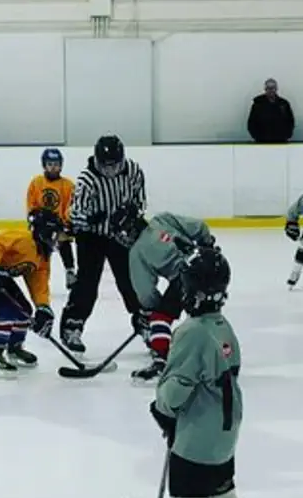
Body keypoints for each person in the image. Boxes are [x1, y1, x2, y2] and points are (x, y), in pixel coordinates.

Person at [149, 245, 242, 498]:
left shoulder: (192, 333)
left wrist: (161, 408)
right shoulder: (225, 328)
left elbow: (176, 390)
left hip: (195, 448)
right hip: (224, 441)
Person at [62, 135, 149, 356]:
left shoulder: (134, 171)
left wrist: (131, 214)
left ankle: (145, 321)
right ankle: (72, 325)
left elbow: (141, 201)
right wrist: (93, 219)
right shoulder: (87, 179)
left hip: (120, 234)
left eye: (115, 165)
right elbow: (75, 216)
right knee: (87, 283)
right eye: (105, 166)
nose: (110, 171)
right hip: (92, 236)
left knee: (130, 280)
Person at [121, 208, 216, 382]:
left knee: (160, 318)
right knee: (207, 313)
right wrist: (207, 246)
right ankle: (220, 354)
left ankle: (161, 360)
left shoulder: (136, 252)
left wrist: (149, 313)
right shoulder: (163, 220)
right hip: (213, 265)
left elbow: (146, 293)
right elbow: (200, 227)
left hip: (185, 277)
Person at [0, 210, 63, 377]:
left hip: (1, 276)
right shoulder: (24, 239)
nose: (57, 240)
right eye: (55, 234)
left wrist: (43, 307)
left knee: (25, 310)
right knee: (8, 311)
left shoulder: (42, 257)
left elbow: (38, 284)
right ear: (44, 231)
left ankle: (15, 348)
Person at [26, 148, 77, 285]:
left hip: (60, 225)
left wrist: (66, 223)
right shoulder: (36, 183)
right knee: (41, 250)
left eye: (56, 164)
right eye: (50, 164)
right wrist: (36, 217)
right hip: (42, 225)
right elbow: (32, 206)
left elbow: (71, 206)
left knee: (64, 240)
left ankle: (70, 271)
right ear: (44, 165)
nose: (53, 167)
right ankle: (40, 275)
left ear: (61, 165)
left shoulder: (68, 185)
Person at [245, 79, 294, 144]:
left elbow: (290, 122)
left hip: (280, 141)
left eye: (272, 88)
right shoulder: (258, 104)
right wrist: (257, 136)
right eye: (268, 88)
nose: (271, 90)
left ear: (276, 89)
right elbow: (251, 123)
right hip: (261, 142)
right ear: (265, 89)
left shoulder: (284, 104)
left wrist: (286, 135)